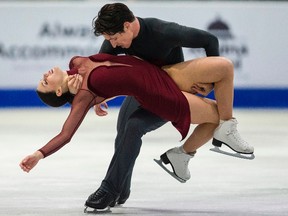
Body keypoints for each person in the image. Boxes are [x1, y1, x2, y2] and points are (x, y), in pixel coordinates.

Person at [20, 53, 253, 209]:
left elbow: (110, 71)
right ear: (58, 92)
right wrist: (39, 154)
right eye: (44, 82)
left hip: (158, 76)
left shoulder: (75, 65)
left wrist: (101, 96)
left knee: (128, 129)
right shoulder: (82, 97)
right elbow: (66, 134)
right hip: (155, 93)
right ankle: (113, 188)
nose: (44, 76)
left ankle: (130, 183)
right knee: (215, 115)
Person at [83, 2, 253, 210]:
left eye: (114, 38)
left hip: (170, 94)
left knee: (134, 127)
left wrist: (210, 84)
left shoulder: (163, 32)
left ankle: (109, 189)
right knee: (123, 131)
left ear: (127, 25)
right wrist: (99, 97)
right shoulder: (115, 40)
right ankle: (120, 189)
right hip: (144, 91)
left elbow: (210, 40)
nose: (113, 44)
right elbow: (104, 68)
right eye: (109, 40)